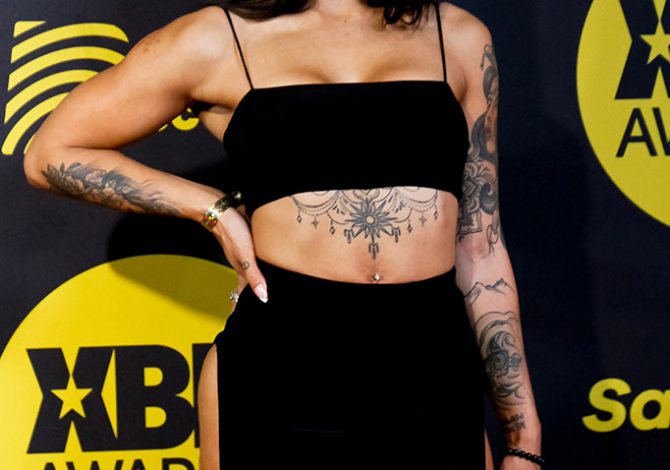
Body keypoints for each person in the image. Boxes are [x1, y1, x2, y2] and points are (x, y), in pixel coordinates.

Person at [22, 0, 543, 468]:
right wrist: (212, 209)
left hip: (433, 376)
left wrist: (523, 437)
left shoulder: (458, 36)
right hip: (280, 375)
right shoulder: (219, 37)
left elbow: (481, 248)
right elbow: (50, 153)